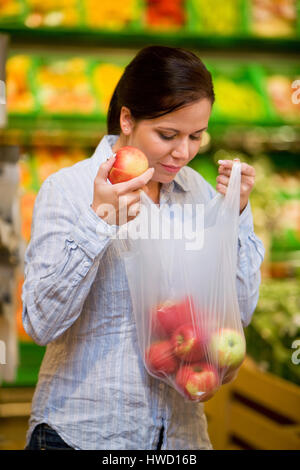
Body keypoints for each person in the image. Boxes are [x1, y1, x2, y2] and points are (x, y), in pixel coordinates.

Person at [22, 45, 264, 450]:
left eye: (196, 136)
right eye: (168, 135)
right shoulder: (69, 190)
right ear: (127, 118)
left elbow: (236, 313)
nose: (183, 152)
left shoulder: (199, 194)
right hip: (84, 434)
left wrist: (233, 216)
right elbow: (40, 324)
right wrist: (99, 222)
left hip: (181, 438)